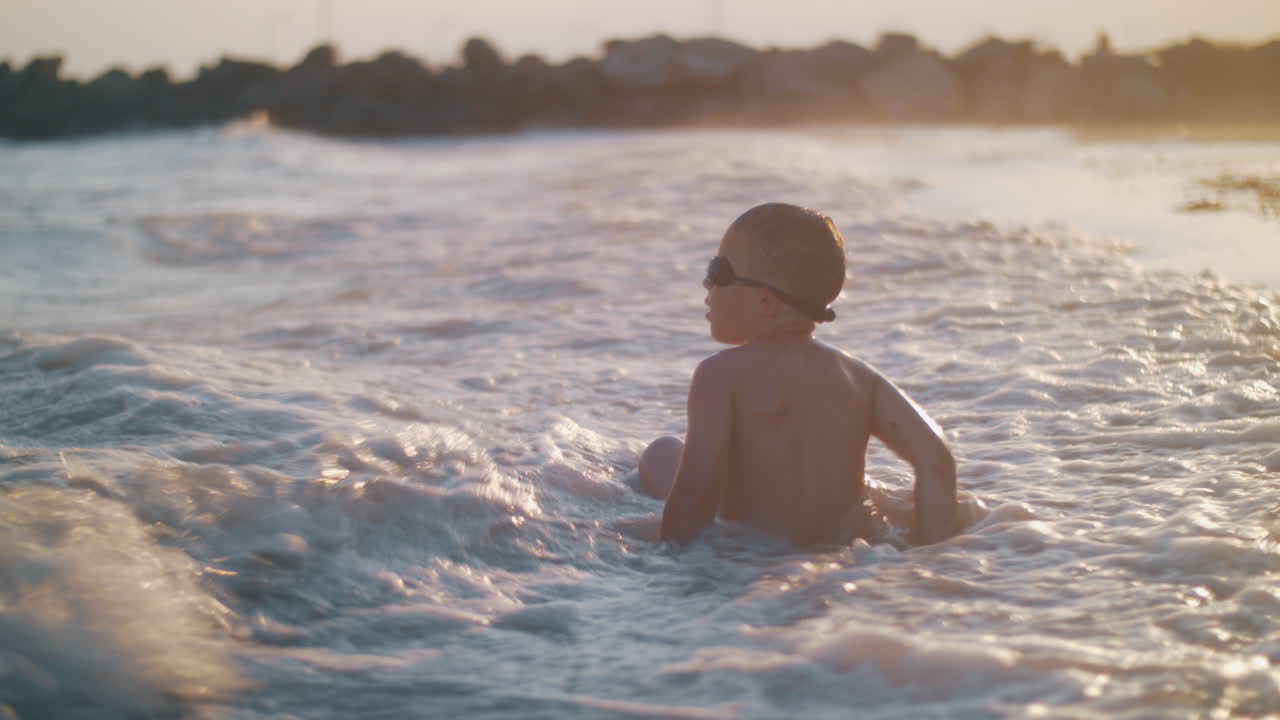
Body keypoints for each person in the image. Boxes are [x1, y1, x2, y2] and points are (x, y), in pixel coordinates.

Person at [640, 203, 957, 546]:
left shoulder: (720, 375)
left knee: (661, 452)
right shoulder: (861, 379)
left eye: (718, 272)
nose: (707, 283)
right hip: (841, 550)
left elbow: (696, 493)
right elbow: (936, 460)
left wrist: (671, 563)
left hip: (749, 551)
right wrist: (931, 549)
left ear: (765, 302)